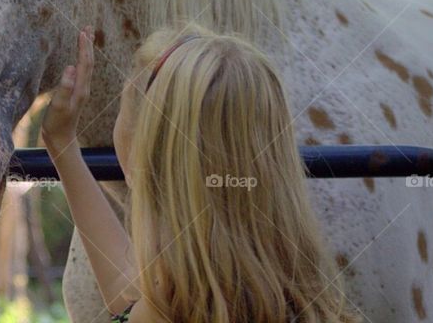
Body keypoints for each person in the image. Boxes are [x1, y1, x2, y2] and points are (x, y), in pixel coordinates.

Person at [42, 24, 360, 322]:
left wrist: (61, 142)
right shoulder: (303, 301)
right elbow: (130, 295)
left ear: (147, 150)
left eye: (122, 103)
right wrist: (62, 147)